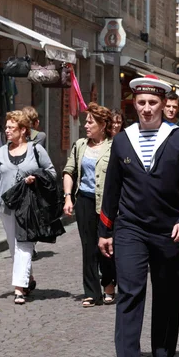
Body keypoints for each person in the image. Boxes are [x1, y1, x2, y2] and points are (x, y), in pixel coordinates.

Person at [97, 75, 179, 357]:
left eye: (152, 103)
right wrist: (105, 231)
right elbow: (112, 188)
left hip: (168, 227)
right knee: (130, 290)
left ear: (162, 104)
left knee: (167, 288)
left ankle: (163, 350)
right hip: (130, 227)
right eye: (141, 103)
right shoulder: (122, 139)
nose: (146, 109)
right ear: (134, 104)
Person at [0, 110, 56, 305]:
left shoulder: (36, 150)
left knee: (24, 244)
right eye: (6, 127)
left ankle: (18, 289)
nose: (7, 131)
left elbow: (51, 172)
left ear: (23, 130)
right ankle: (28, 279)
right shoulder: (1, 152)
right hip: (7, 206)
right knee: (12, 246)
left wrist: (37, 178)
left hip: (29, 206)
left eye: (11, 128)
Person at [63, 102, 116, 307]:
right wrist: (68, 197)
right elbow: (69, 171)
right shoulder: (80, 145)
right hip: (85, 200)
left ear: (102, 125)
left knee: (107, 246)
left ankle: (109, 285)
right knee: (89, 247)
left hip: (107, 203)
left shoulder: (114, 146)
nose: (86, 125)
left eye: (90, 122)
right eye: (86, 121)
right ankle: (91, 292)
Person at [22, 105, 46, 261]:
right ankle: (31, 245)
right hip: (34, 177)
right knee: (34, 212)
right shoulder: (40, 136)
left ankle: (25, 244)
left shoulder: (19, 135)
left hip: (20, 176)